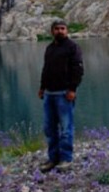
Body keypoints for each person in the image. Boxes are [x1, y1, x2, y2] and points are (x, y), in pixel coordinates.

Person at [37, 20, 84, 173]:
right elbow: (46, 69)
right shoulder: (49, 48)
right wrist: (42, 87)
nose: (60, 31)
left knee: (65, 128)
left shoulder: (72, 47)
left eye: (63, 28)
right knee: (49, 128)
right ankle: (53, 158)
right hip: (49, 94)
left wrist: (72, 89)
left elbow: (78, 69)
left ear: (67, 30)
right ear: (52, 31)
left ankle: (66, 159)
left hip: (64, 94)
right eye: (57, 29)